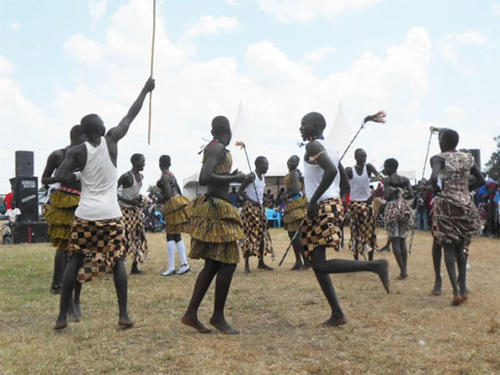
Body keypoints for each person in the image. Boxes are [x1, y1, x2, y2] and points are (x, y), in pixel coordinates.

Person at [53, 77, 155, 330]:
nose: (104, 123)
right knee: (118, 260)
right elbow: (131, 114)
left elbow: (60, 177)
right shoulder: (112, 141)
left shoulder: (77, 151)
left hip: (85, 214)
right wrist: (145, 89)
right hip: (111, 214)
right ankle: (123, 315)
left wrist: (80, 177)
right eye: (101, 121)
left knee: (74, 259)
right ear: (96, 129)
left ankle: (61, 318)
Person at [299, 112, 389, 327]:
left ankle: (375, 265)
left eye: (303, 124)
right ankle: (337, 314)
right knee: (314, 258)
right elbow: (344, 184)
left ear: (315, 126)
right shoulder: (330, 148)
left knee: (318, 263)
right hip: (329, 204)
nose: (300, 128)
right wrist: (338, 203)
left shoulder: (313, 147)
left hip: (321, 206)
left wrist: (314, 202)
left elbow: (330, 171)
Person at [182, 116, 252, 334]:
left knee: (213, 264)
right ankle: (217, 316)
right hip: (216, 208)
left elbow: (214, 176)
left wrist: (233, 177)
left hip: (218, 206)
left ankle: (192, 314)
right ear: (227, 131)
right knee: (229, 262)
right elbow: (205, 178)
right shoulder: (217, 148)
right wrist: (236, 178)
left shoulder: (216, 148)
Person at [430, 129, 484, 305]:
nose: (439, 142)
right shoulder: (468, 157)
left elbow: (432, 179)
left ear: (444, 142)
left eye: (440, 139)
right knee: (461, 248)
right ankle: (462, 288)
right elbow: (481, 179)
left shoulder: (440, 158)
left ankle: (455, 292)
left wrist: (442, 188)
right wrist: (462, 186)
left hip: (446, 206)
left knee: (448, 247)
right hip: (466, 205)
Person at [41, 124, 86, 325]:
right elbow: (44, 179)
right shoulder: (58, 155)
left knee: (81, 250)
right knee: (64, 247)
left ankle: (76, 298)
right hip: (63, 203)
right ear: (77, 135)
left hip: (84, 203)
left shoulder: (87, 155)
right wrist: (62, 177)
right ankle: (59, 286)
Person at [238, 155, 274, 273]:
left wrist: (264, 199)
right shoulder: (251, 176)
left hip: (260, 208)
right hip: (250, 209)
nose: (267, 167)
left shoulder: (262, 177)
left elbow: (258, 192)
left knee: (262, 235)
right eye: (266, 164)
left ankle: (261, 262)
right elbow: (240, 191)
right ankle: (247, 264)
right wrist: (250, 200)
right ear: (258, 165)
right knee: (250, 236)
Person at [157, 155, 191, 276]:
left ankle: (172, 267)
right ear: (170, 164)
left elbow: (167, 193)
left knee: (170, 235)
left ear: (159, 164)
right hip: (178, 202)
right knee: (177, 235)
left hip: (171, 204)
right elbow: (178, 191)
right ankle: (184, 264)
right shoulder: (172, 175)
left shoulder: (165, 176)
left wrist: (159, 200)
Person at [345, 149, 380, 260]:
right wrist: (345, 200)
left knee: (369, 232)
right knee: (355, 233)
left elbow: (383, 180)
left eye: (365, 156)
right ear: (355, 157)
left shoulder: (369, 167)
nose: (364, 159)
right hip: (354, 205)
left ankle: (370, 260)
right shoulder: (349, 171)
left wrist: (372, 196)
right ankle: (356, 259)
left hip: (367, 204)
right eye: (361, 156)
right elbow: (344, 186)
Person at [382, 158, 414, 280]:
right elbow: (411, 195)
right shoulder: (405, 180)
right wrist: (402, 194)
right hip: (404, 208)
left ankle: (403, 271)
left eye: (385, 167)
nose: (384, 169)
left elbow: (386, 196)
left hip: (392, 209)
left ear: (389, 167)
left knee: (394, 240)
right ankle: (404, 269)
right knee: (402, 241)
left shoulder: (387, 180)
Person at [118, 153, 148, 275]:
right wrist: (130, 201)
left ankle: (134, 267)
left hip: (134, 210)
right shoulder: (126, 176)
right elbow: (113, 192)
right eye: (142, 161)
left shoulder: (141, 176)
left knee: (138, 238)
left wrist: (139, 199)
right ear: (135, 162)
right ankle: (119, 267)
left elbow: (134, 192)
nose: (144, 164)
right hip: (124, 210)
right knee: (124, 238)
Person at [282, 155, 309, 270]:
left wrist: (286, 195)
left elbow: (297, 189)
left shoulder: (294, 173)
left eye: (293, 161)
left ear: (297, 164)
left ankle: (306, 261)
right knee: (291, 234)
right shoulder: (291, 173)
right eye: (289, 160)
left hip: (296, 205)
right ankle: (298, 261)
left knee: (296, 236)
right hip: (291, 205)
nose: (290, 163)